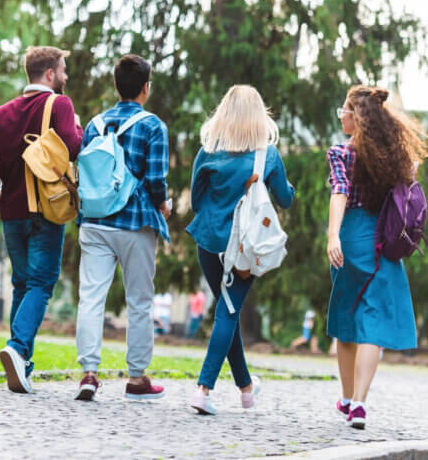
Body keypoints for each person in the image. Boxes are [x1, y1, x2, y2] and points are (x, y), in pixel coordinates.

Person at [0, 46, 83, 394]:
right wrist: (78, 129)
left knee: (22, 284)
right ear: (49, 73)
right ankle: (18, 348)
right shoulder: (59, 105)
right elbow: (73, 147)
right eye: (62, 70)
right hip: (45, 211)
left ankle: (22, 366)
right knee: (41, 284)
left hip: (11, 214)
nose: (65, 76)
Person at [186, 85, 295, 415]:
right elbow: (285, 199)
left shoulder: (208, 151)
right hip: (244, 248)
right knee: (228, 313)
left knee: (226, 311)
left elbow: (194, 201)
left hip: (208, 243)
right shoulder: (268, 155)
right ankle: (202, 391)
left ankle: (247, 389)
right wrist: (282, 184)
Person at [326, 85, 428, 429]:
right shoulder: (394, 158)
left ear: (356, 117)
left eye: (344, 110)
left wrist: (332, 236)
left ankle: (346, 395)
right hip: (384, 242)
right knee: (372, 323)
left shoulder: (342, 154)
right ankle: (359, 403)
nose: (341, 115)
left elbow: (339, 193)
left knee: (346, 319)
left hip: (352, 237)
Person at [74, 54, 171, 402]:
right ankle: (136, 378)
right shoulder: (153, 126)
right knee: (140, 302)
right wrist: (164, 205)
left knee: (91, 297)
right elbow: (157, 180)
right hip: (135, 222)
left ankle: (88, 372)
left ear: (116, 86)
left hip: (95, 221)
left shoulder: (94, 124)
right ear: (145, 88)